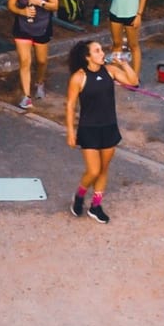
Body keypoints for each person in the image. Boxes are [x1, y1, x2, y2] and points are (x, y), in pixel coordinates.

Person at [65, 38, 136, 222]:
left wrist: (125, 64)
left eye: (101, 50)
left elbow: (133, 82)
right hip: (89, 129)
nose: (102, 53)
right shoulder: (79, 77)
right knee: (93, 171)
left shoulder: (110, 71)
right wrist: (71, 132)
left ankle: (96, 206)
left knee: (104, 169)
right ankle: (79, 195)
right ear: (87, 57)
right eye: (97, 51)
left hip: (109, 127)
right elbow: (71, 106)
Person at [7, 0, 59, 110]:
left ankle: (40, 82)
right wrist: (22, 11)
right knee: (25, 61)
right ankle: (26, 96)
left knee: (41, 61)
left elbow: (55, 5)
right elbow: (10, 5)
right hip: (23, 27)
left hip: (42, 26)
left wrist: (41, 3)